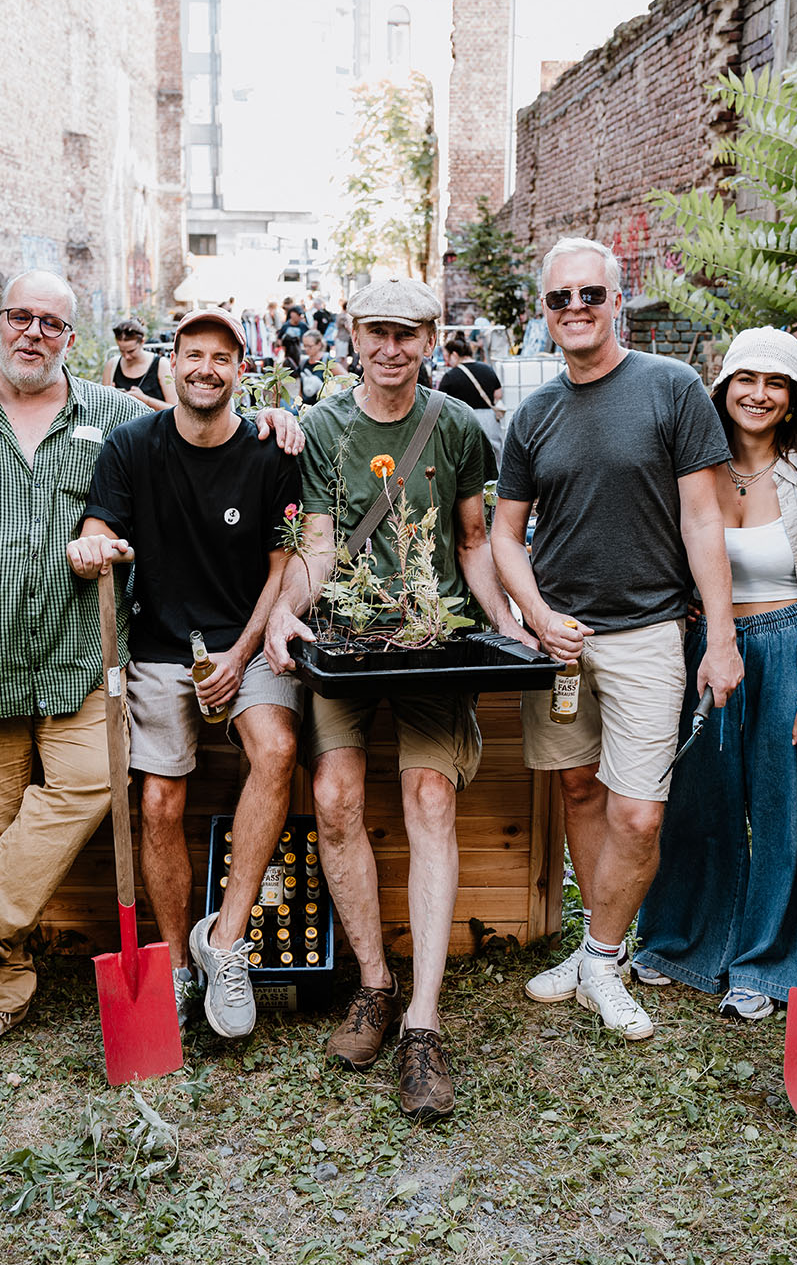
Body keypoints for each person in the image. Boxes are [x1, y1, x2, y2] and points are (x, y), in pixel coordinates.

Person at [0, 270, 306, 1068]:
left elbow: (193, 418)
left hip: (75, 658)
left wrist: (267, 416)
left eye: (51, 322)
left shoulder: (113, 414)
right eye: (20, 315)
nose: (33, 332)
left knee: (93, 783)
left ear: (70, 338)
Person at [264, 278, 532, 1121]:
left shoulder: (456, 425)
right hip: (343, 639)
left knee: (429, 799)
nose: (391, 348)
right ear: (353, 335)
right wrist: (282, 612)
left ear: (429, 341)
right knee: (335, 796)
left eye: (407, 334)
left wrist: (508, 621)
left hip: (433, 639)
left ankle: (423, 1021)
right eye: (377, 332)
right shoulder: (326, 429)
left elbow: (470, 540)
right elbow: (314, 545)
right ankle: (373, 985)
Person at [491, 237, 742, 1043]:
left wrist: (722, 635)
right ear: (545, 310)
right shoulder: (534, 415)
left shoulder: (670, 389)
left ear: (617, 300)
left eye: (589, 295)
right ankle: (602, 953)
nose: (575, 309)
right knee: (577, 793)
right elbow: (504, 535)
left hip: (647, 635)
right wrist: (534, 612)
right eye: (560, 298)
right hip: (561, 643)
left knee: (638, 814)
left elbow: (705, 519)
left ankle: (600, 955)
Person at [67, 308, 305, 1039]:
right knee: (161, 803)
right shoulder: (131, 445)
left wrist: (240, 656)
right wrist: (89, 546)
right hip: (162, 646)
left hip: (251, 640)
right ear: (171, 366)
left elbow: (285, 560)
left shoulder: (272, 451)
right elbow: (101, 525)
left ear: (242, 369)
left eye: (221, 357)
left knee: (277, 748)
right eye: (192, 354)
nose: (205, 368)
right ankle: (173, 964)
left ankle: (224, 943)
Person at [633, 327, 797, 1020]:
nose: (758, 395)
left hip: (792, 645)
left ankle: (773, 965)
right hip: (709, 643)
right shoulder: (691, 467)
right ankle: (684, 943)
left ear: (791, 399)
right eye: (746, 380)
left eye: (776, 383)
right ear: (722, 386)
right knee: (697, 800)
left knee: (788, 810)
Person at [438, 336, 503, 468]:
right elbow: (498, 394)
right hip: (489, 421)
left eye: (447, 356)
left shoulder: (450, 376)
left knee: (470, 465)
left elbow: (440, 405)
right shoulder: (488, 369)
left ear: (454, 355)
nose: (447, 361)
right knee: (494, 462)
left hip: (463, 423)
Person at [102, 317, 176, 411]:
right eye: (122, 351)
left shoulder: (161, 365)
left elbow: (174, 409)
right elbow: (103, 406)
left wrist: (145, 399)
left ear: (142, 342)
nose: (127, 356)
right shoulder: (112, 365)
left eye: (131, 351)